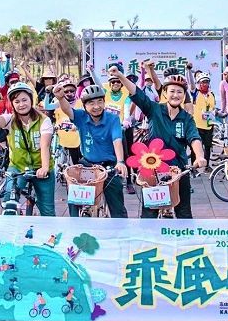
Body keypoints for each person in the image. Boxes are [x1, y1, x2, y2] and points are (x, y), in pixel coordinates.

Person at [110, 66, 207, 218]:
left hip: (179, 171)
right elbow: (136, 93)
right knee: (149, 215)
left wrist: (200, 156)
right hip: (152, 170)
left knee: (184, 214)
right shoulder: (154, 109)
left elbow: (194, 138)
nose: (175, 95)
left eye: (180, 92)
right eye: (172, 91)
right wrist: (120, 76)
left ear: (184, 95)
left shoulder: (187, 118)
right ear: (165, 93)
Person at [53, 82, 129, 218]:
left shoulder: (113, 119)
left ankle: (120, 228)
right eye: (91, 103)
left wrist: (120, 162)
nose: (96, 106)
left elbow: (117, 140)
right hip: (87, 164)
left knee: (117, 207)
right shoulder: (81, 117)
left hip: (109, 166)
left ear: (104, 102)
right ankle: (75, 224)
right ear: (84, 106)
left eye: (100, 101)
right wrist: (60, 98)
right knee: (74, 196)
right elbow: (67, 110)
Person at [0, 81, 55, 216]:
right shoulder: (10, 120)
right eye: (17, 101)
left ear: (31, 100)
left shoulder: (44, 120)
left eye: (24, 100)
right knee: (9, 203)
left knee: (47, 211)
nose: (21, 104)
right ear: (12, 104)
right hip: (17, 167)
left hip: (41, 168)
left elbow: (45, 145)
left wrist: (45, 168)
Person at [191, 72, 216, 169]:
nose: (205, 84)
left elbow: (213, 107)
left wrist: (214, 112)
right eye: (203, 82)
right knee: (196, 146)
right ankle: (194, 167)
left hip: (209, 124)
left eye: (207, 82)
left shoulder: (211, 94)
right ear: (199, 83)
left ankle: (207, 166)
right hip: (197, 124)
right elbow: (191, 84)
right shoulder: (196, 93)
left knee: (208, 146)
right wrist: (189, 70)